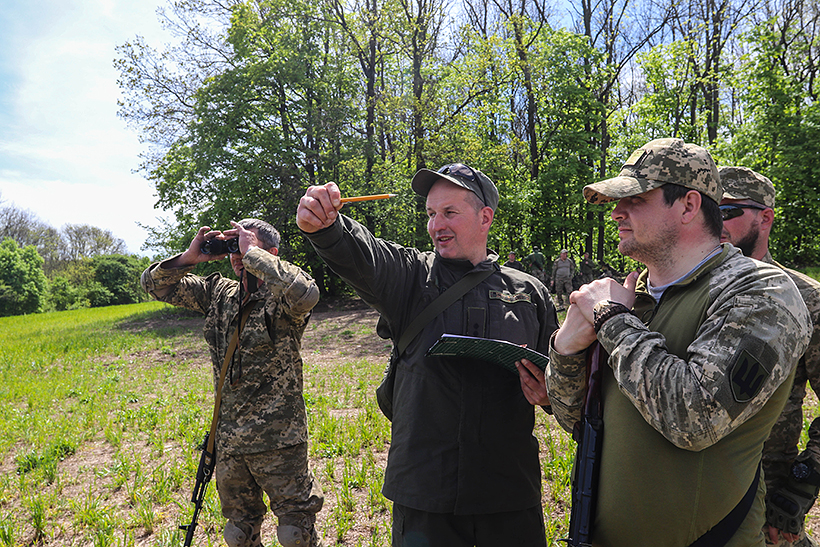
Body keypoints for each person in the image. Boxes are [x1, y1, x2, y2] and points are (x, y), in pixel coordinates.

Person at [546, 138, 811, 546]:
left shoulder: (761, 292)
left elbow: (696, 419)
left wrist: (611, 321)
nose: (616, 212)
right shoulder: (631, 296)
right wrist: (566, 348)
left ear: (689, 206)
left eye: (635, 199)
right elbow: (579, 421)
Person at [296, 163, 559, 547]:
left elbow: (565, 381)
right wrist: (326, 226)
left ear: (485, 217)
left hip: (509, 491)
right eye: (431, 214)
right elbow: (361, 254)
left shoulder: (529, 293)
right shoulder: (410, 276)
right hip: (424, 492)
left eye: (450, 212)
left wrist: (551, 394)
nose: (437, 225)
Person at [140, 219, 324, 547]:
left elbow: (307, 293)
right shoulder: (220, 294)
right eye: (233, 248)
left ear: (271, 253)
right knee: (239, 534)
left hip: (279, 441)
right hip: (229, 442)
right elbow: (155, 286)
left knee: (295, 533)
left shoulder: (283, 297)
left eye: (244, 246)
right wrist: (188, 259)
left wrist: (253, 254)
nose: (237, 256)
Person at [719, 166, 820, 547]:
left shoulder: (806, 299)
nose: (716, 221)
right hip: (697, 490)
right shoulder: (693, 289)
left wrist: (800, 488)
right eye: (710, 210)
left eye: (728, 211)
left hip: (767, 500)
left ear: (765, 218)